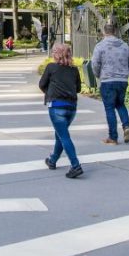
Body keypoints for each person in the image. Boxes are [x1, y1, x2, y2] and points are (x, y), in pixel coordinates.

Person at [38, 43, 83, 178]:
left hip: (57, 106)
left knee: (64, 136)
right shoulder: (74, 70)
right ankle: (52, 160)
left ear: (56, 54)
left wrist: (51, 92)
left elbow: (41, 84)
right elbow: (78, 89)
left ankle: (75, 165)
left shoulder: (51, 67)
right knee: (60, 134)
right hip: (71, 107)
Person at [90, 18, 129, 145]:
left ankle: (113, 137)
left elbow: (94, 64)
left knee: (109, 108)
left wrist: (98, 75)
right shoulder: (125, 46)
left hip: (107, 80)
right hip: (122, 80)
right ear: (115, 31)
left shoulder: (100, 46)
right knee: (120, 104)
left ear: (104, 32)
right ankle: (126, 126)